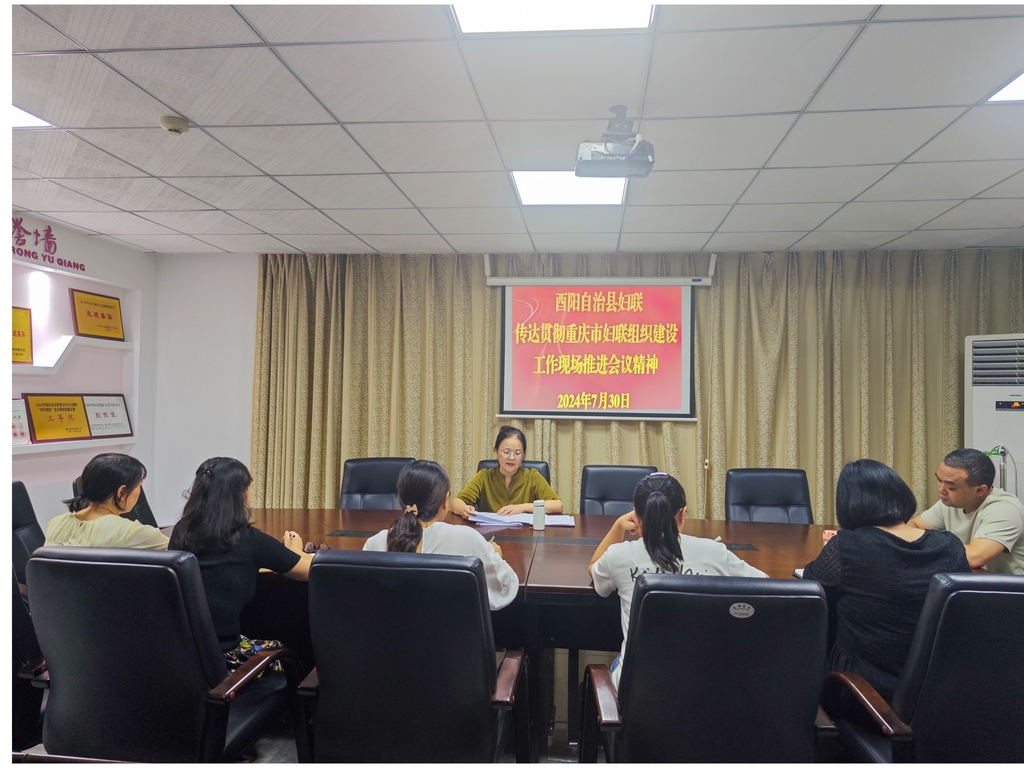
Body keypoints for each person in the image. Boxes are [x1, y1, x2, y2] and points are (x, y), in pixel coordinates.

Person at [803, 459, 971, 705]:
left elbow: (812, 590)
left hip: (865, 692)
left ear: (849, 504)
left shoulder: (848, 544)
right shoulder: (950, 545)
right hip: (940, 692)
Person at [590, 472, 766, 689]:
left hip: (639, 692)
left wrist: (618, 526)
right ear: (682, 514)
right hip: (707, 688)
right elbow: (765, 588)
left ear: (636, 515)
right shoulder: (715, 552)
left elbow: (594, 570)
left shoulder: (619, 556)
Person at [169, 457, 313, 669]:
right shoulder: (247, 538)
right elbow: (308, 571)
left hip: (184, 656)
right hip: (224, 660)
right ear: (239, 495)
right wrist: (296, 550)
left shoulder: (181, 531)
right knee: (291, 654)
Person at [364, 459, 519, 610]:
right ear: (444, 502)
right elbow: (504, 587)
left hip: (391, 627)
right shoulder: (468, 538)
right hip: (452, 628)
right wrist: (493, 555)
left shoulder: (374, 543)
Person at [907, 448, 1024, 575]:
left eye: (951, 487)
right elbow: (912, 525)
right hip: (975, 579)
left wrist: (930, 542)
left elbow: (975, 557)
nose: (941, 490)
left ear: (980, 490)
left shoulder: (1004, 510)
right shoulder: (950, 502)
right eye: (939, 480)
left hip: (1011, 586)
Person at [46, 453, 168, 549]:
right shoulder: (132, 532)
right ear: (121, 492)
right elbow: (177, 554)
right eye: (139, 486)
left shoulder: (56, 523)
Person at [451, 426, 562, 517]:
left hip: (523, 535)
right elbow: (456, 502)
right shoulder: (484, 476)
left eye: (517, 453)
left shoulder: (532, 476)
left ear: (523, 455)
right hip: (490, 533)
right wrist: (464, 509)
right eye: (506, 452)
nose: (512, 458)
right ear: (496, 451)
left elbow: (558, 505)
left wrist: (522, 508)